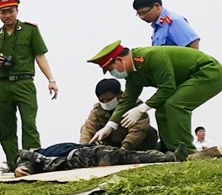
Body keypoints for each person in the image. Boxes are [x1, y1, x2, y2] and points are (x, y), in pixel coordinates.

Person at [90, 41, 222, 160]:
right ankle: (172, 151)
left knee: (175, 105)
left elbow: (167, 88)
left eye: (111, 69)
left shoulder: (152, 57)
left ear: (119, 60)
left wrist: (142, 108)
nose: (112, 74)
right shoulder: (133, 74)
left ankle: (188, 151)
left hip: (208, 73)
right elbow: (127, 99)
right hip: (189, 79)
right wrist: (110, 125)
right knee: (161, 111)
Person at [0, 0, 58, 170]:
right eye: (3, 12)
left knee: (29, 123)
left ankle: (32, 160)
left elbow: (40, 55)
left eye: (10, 11)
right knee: (5, 125)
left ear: (17, 10)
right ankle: (14, 163)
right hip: (2, 84)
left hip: (24, 82)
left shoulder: (29, 30)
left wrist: (51, 79)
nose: (7, 15)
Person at [12, 142, 175, 177]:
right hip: (80, 157)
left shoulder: (43, 151)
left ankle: (165, 155)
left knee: (124, 155)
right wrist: (20, 168)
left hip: (84, 151)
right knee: (124, 157)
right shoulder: (32, 157)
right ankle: (167, 158)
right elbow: (25, 167)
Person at [80, 77, 157, 150]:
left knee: (149, 131)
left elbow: (138, 129)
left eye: (109, 99)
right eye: (102, 100)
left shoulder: (134, 104)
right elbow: (88, 127)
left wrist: (125, 148)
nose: (106, 103)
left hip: (138, 144)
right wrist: (83, 147)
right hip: (114, 144)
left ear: (119, 94)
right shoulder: (98, 110)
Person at [133, 0, 201, 50]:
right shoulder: (158, 26)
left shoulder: (173, 21)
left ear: (157, 6)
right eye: (139, 14)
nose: (142, 17)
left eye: (144, 12)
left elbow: (193, 43)